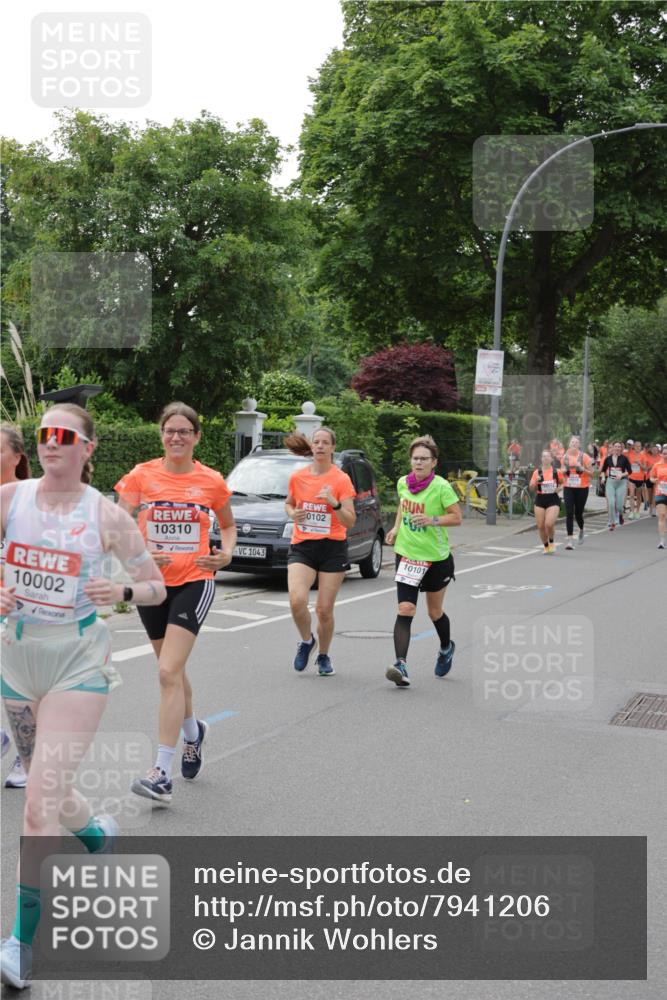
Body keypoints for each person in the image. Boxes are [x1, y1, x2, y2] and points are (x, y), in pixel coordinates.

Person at [0, 403, 166, 990]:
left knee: (37, 803)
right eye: (44, 433)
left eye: (63, 435)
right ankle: (96, 833)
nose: (51, 442)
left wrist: (120, 590)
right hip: (16, 661)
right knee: (48, 787)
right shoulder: (9, 499)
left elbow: (155, 585)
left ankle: (21, 944)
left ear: (87, 448)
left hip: (78, 662)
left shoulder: (107, 515)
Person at [115, 402, 236, 805]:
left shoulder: (211, 481)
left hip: (194, 581)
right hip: (151, 585)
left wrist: (226, 554)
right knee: (172, 672)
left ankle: (161, 773)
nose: (177, 437)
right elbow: (119, 525)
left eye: (185, 431)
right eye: (170, 430)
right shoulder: (141, 476)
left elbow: (228, 526)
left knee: (168, 671)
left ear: (196, 436)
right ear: (161, 435)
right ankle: (193, 733)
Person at [384, 435, 461, 687]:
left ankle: (446, 647)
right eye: (415, 458)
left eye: (424, 459)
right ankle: (400, 665)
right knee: (405, 609)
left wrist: (432, 520)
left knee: (434, 611)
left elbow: (456, 517)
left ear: (433, 462)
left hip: (436, 558)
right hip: (407, 555)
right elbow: (403, 506)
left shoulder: (441, 487)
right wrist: (396, 528)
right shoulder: (402, 483)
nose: (418, 462)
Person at [284, 428, 356, 677]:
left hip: (332, 548)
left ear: (333, 448)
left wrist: (334, 503)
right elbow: (289, 503)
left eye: (326, 442)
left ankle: (324, 655)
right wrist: (293, 513)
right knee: (297, 600)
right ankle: (307, 641)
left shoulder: (341, 479)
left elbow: (350, 521)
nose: (320, 446)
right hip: (303, 545)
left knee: (324, 610)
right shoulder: (298, 477)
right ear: (312, 446)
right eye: (317, 442)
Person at [0, 425, 31, 790]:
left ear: (17, 457)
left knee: (18, 684)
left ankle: (26, 755)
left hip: (25, 602)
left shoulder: (30, 497)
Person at [561, 435, 595, 549]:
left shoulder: (584, 457)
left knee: (578, 513)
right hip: (568, 487)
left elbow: (592, 473)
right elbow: (562, 472)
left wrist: (583, 468)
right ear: (569, 444)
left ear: (579, 445)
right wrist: (563, 471)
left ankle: (581, 529)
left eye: (576, 442)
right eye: (572, 442)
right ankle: (569, 541)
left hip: (582, 488)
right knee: (569, 512)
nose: (574, 444)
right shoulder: (565, 457)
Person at [529, 449, 565, 553]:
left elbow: (563, 483)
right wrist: (535, 482)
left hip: (553, 498)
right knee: (540, 526)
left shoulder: (556, 472)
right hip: (540, 499)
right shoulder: (537, 472)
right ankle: (546, 546)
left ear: (551, 459)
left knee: (549, 524)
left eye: (548, 456)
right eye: (544, 456)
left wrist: (559, 488)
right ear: (541, 459)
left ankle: (552, 542)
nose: (545, 458)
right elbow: (531, 488)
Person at [600, 442, 632, 530]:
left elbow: (630, 471)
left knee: (619, 505)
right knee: (611, 502)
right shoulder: (608, 459)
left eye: (619, 447)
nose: (617, 448)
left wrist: (622, 474)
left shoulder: (624, 459)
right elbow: (603, 470)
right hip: (610, 482)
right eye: (616, 446)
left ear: (621, 448)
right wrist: (603, 477)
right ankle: (612, 522)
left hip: (621, 482)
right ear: (613, 448)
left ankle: (620, 514)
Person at [649, 449, 667, 548]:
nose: (666, 455)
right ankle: (662, 541)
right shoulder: (657, 465)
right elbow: (651, 478)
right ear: (661, 454)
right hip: (660, 492)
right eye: (664, 453)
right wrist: (654, 480)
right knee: (662, 515)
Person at [626, 440, 645, 519]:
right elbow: (627, 465)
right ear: (634, 447)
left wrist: (640, 464)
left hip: (640, 478)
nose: (637, 447)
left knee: (638, 496)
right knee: (631, 495)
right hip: (631, 477)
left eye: (639, 446)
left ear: (641, 447)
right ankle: (631, 512)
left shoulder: (643, 456)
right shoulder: (630, 454)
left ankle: (637, 511)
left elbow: (645, 468)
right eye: (636, 446)